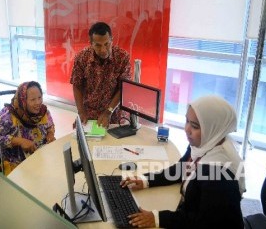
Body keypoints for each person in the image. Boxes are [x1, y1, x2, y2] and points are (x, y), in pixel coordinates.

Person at [121, 95, 246, 228]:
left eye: (195, 126)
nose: (187, 129)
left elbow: (201, 222)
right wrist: (146, 180)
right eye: (187, 121)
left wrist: (157, 218)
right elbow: (180, 169)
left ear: (213, 129)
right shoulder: (205, 144)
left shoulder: (219, 174)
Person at [70, 21, 132, 128]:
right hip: (89, 114)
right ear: (91, 43)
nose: (103, 50)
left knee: (115, 144)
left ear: (112, 40)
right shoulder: (82, 58)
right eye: (98, 45)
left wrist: (108, 112)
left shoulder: (122, 57)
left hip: (114, 113)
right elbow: (77, 85)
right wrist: (81, 112)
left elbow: (123, 88)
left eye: (106, 44)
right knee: (84, 143)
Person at [0, 81, 56, 174]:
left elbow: (50, 125)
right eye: (33, 100)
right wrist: (19, 141)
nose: (38, 103)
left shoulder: (43, 112)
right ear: (23, 101)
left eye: (40, 97)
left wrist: (50, 134)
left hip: (39, 157)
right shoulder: (8, 116)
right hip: (17, 164)